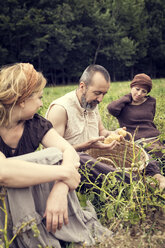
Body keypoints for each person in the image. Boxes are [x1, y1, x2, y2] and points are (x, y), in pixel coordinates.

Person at [0, 63, 112, 248]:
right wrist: (64, 174)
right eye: (39, 98)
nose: (42, 103)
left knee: (58, 155)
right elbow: (3, 172)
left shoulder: (35, 124)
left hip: (28, 197)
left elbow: (68, 150)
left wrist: (60, 189)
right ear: (22, 100)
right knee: (49, 158)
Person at [45, 64, 135, 185]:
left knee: (139, 148)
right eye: (97, 93)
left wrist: (113, 133)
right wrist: (85, 145)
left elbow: (102, 132)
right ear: (82, 86)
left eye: (104, 94)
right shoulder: (60, 109)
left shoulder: (92, 104)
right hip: (74, 164)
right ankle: (133, 181)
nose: (100, 99)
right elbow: (53, 154)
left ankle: (153, 176)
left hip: (94, 160)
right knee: (84, 160)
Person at [107, 73, 165, 189]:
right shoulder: (122, 105)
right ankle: (159, 177)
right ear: (131, 87)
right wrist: (127, 97)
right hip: (138, 140)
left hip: (155, 137)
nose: (139, 94)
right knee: (146, 157)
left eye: (144, 91)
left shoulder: (151, 101)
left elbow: (149, 120)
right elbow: (111, 109)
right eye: (137, 89)